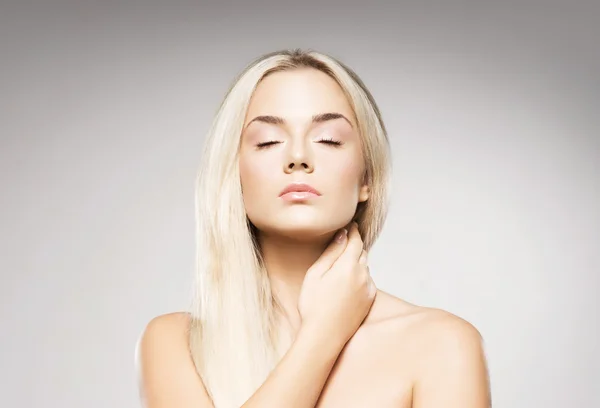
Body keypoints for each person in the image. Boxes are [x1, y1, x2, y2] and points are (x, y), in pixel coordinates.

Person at [135, 48, 491, 408]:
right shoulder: (175, 344)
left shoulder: (442, 345)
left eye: (329, 140)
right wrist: (321, 335)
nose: (298, 157)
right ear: (234, 176)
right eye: (268, 141)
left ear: (366, 177)